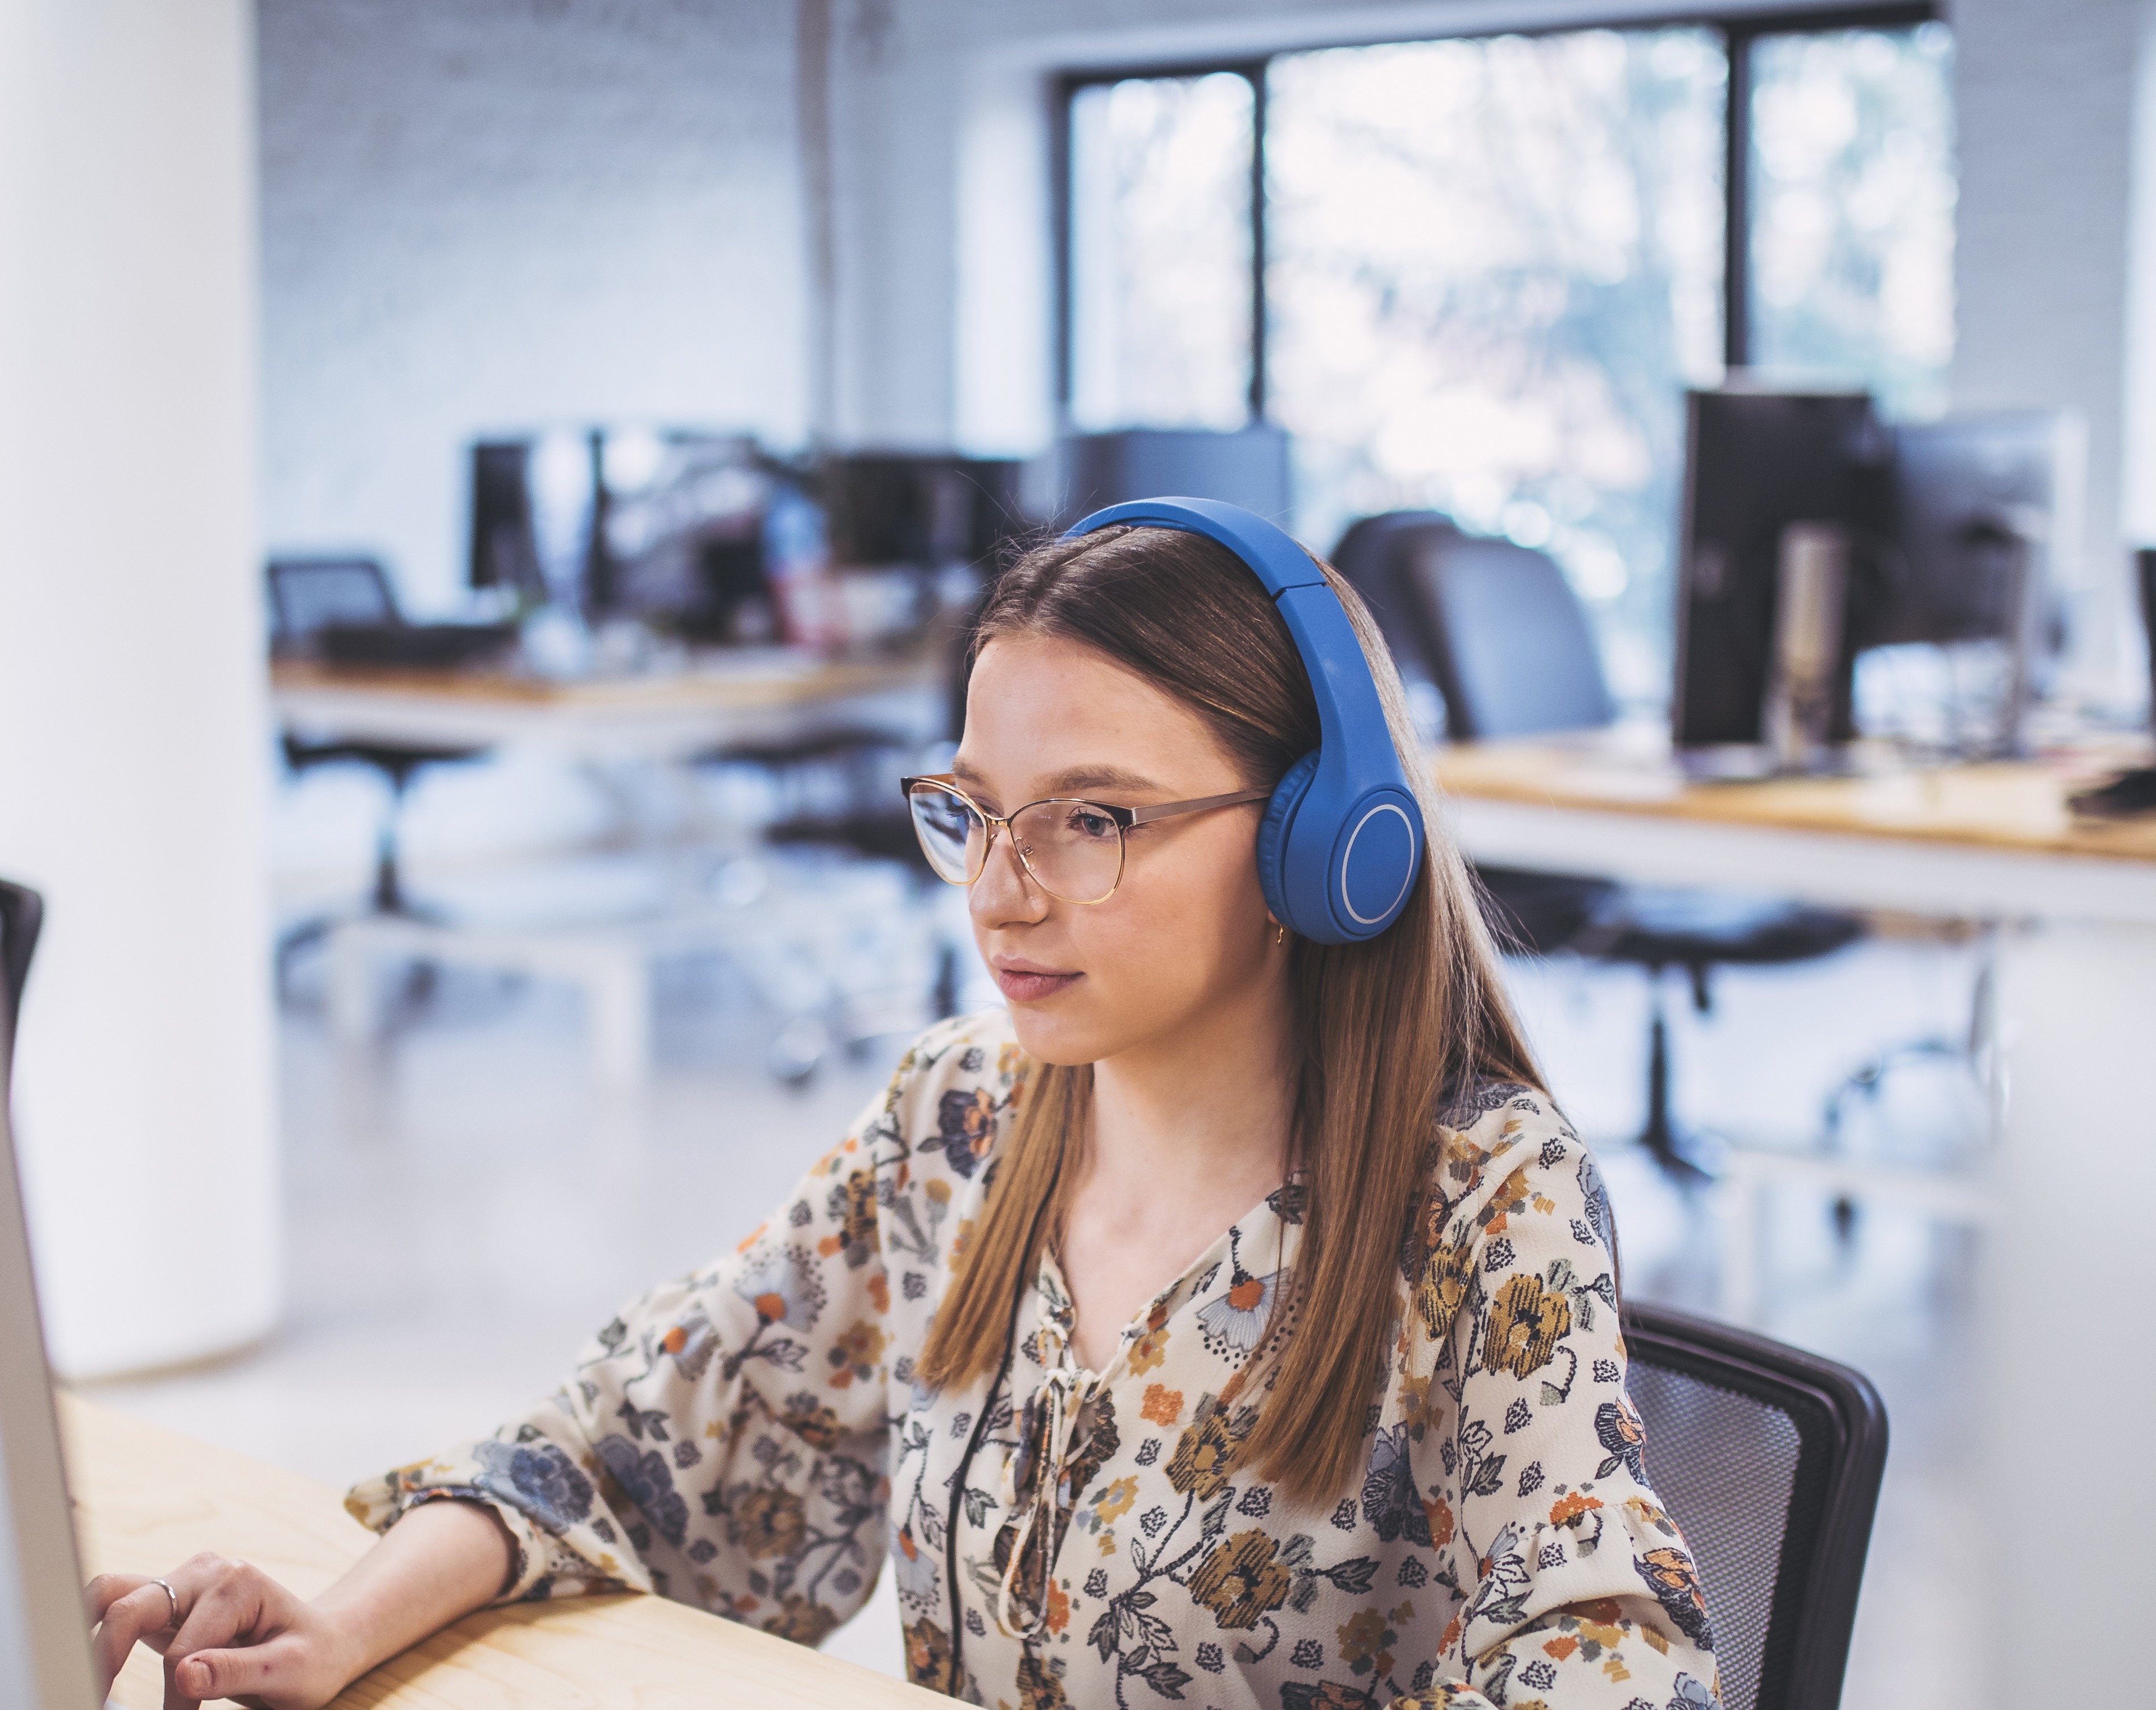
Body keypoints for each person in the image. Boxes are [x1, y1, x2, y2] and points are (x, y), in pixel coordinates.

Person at [90, 507, 1719, 1710]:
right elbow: (646, 1436)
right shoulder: (965, 1118)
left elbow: (1611, 1658)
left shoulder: (1478, 1192)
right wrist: (335, 1621)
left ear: (1322, 840)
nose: (1001, 896)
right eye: (972, 811)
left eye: (1093, 818)